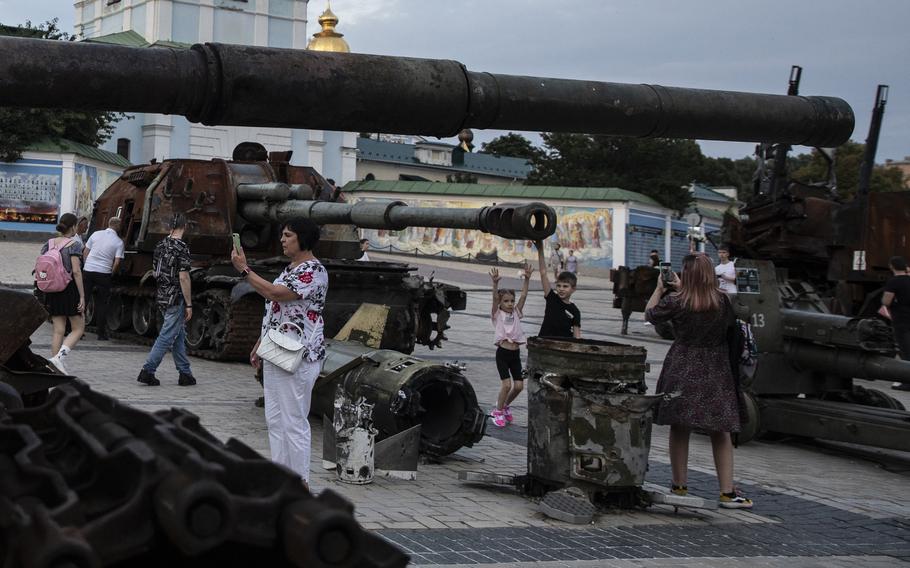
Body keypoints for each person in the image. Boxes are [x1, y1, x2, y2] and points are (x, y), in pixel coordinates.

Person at [645, 253, 753, 509]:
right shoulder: (723, 302)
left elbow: (649, 315)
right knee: (720, 430)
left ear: (686, 274)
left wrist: (660, 289)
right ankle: (727, 492)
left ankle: (679, 485)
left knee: (680, 427)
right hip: (715, 368)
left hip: (682, 364)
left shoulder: (676, 301)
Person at [231, 218, 328, 483]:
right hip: (277, 351)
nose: (282, 240)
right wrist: (260, 342)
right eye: (282, 235)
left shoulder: (313, 271)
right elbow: (277, 310)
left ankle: (299, 484)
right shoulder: (291, 268)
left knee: (293, 422)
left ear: (303, 238)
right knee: (275, 420)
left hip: (299, 356)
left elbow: (275, 294)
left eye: (288, 235)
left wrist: (244, 270)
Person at [137, 213, 197, 387]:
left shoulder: (160, 245)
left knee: (177, 334)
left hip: (162, 295)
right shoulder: (182, 248)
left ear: (170, 226)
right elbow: (184, 277)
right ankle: (148, 370)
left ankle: (185, 373)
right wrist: (189, 303)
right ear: (184, 227)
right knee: (167, 336)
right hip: (176, 297)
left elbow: (155, 272)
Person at [42, 213, 86, 374]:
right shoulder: (73, 245)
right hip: (69, 289)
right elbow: (76, 271)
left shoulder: (49, 243)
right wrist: (82, 295)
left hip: (53, 290)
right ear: (74, 226)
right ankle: (58, 359)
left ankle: (54, 367)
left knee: (58, 330)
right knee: (78, 329)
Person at [489, 264, 532, 428]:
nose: (510, 304)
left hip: (515, 354)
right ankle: (497, 411)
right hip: (502, 354)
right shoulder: (497, 314)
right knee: (506, 385)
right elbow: (494, 299)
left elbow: (524, 297)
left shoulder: (516, 313)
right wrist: (495, 284)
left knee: (519, 386)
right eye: (506, 301)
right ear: (500, 302)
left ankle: (505, 406)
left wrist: (527, 279)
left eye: (511, 301)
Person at [82, 217, 125, 340]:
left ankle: (75, 330)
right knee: (102, 304)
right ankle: (101, 334)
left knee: (83, 300)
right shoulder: (118, 242)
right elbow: (117, 262)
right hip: (103, 274)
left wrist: (86, 265)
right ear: (118, 226)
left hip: (88, 271)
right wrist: (111, 272)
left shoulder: (96, 234)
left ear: (108, 224)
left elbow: (86, 251)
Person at [536, 240, 581, 338]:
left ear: (573, 289)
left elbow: (577, 335)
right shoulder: (551, 298)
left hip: (563, 347)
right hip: (544, 344)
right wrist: (540, 249)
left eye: (565, 286)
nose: (561, 289)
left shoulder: (575, 311)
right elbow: (543, 273)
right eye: (559, 286)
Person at [882, 256, 910, 391]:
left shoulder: (894, 282)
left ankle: (908, 381)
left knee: (905, 350)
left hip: (901, 319)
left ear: (891, 267)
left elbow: (886, 301)